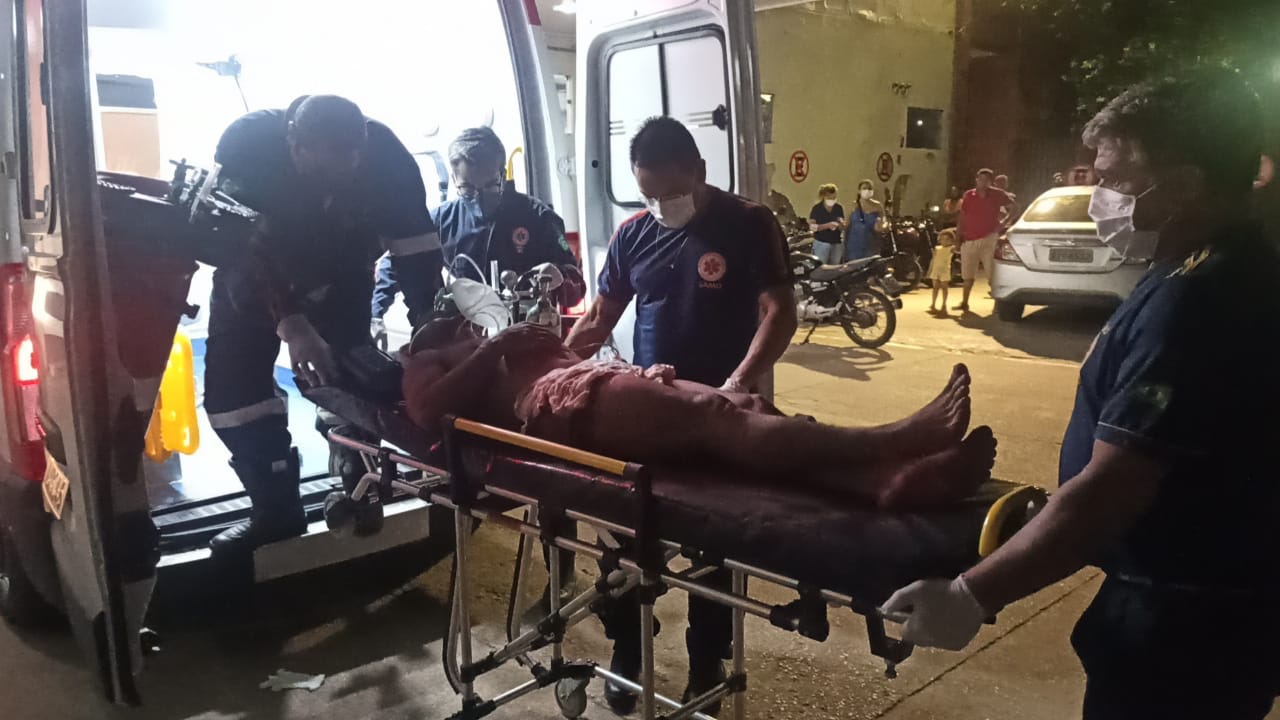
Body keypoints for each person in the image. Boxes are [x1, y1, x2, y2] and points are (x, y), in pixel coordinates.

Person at [882, 69, 1280, 719]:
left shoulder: (1202, 301)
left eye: (1116, 179)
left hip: (1185, 633)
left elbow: (1113, 488)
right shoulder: (1194, 267)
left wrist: (971, 594)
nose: (1101, 198)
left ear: (1185, 186)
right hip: (1189, 612)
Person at [563, 115, 798, 713]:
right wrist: (554, 370)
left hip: (721, 413)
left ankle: (706, 663)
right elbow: (599, 318)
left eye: (671, 193)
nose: (661, 206)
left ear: (699, 171)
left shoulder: (748, 223)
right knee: (619, 536)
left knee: (713, 549)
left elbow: (779, 312)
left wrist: (735, 386)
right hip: (647, 411)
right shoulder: (633, 235)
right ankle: (628, 648)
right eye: (649, 195)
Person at [404, 320, 994, 511]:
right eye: (450, 324)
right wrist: (494, 345)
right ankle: (894, 440)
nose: (462, 322)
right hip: (558, 401)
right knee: (712, 414)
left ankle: (882, 481)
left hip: (597, 377)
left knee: (746, 406)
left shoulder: (485, 342)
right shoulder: (431, 357)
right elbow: (428, 411)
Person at [204, 95, 443, 554]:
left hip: (342, 275)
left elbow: (417, 250)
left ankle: (362, 484)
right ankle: (276, 510)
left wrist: (430, 326)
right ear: (295, 146)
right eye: (324, 170)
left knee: (353, 376)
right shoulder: (247, 149)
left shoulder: (389, 161)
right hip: (250, 283)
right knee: (233, 397)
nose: (341, 177)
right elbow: (242, 250)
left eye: (351, 165)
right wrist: (292, 324)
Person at [372, 126, 584, 323]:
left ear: (502, 175)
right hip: (467, 334)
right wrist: (375, 315)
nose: (479, 197)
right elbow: (396, 264)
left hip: (527, 330)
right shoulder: (442, 221)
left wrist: (561, 277)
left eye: (490, 186)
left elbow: (576, 288)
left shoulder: (539, 219)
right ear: (454, 180)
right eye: (468, 188)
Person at [954, 169, 1015, 312]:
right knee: (967, 275)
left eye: (986, 180)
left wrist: (1004, 223)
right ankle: (964, 302)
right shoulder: (969, 195)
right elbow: (962, 217)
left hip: (989, 238)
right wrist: (958, 237)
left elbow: (1015, 207)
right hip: (969, 238)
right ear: (976, 180)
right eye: (980, 179)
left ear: (990, 182)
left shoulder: (998, 194)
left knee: (992, 274)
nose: (982, 182)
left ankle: (998, 305)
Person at [845, 179, 885, 261]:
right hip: (854, 244)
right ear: (859, 191)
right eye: (864, 188)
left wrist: (880, 225)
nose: (867, 190)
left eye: (870, 188)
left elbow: (883, 221)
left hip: (872, 243)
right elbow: (846, 224)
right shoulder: (853, 206)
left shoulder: (877, 206)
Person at [807, 184, 845, 264]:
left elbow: (842, 225)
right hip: (821, 243)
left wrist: (841, 224)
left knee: (835, 267)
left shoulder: (838, 208)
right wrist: (827, 225)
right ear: (824, 196)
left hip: (836, 243)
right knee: (821, 266)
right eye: (829, 198)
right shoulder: (817, 208)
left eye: (834, 198)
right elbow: (812, 227)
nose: (832, 200)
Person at [764, 162, 801, 231]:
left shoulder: (782, 200)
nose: (767, 182)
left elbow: (793, 221)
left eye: (768, 179)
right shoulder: (754, 199)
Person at [927, 228, 956, 314]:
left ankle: (944, 304)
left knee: (944, 288)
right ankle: (933, 304)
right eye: (943, 239)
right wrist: (930, 270)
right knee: (935, 288)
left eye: (947, 239)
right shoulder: (937, 248)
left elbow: (958, 250)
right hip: (936, 270)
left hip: (945, 270)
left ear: (951, 240)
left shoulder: (951, 248)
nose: (945, 241)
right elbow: (933, 260)